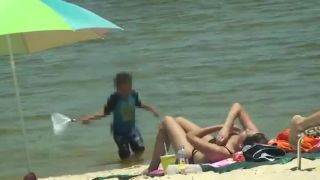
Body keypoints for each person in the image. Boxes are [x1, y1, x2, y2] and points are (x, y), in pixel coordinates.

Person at [147, 102, 268, 172]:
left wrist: (218, 127)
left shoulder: (223, 152)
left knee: (167, 121)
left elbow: (190, 137)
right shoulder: (254, 136)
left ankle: (152, 168)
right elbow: (238, 106)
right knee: (179, 120)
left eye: (246, 133)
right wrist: (226, 127)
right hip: (209, 142)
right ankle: (155, 164)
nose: (246, 130)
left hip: (190, 154)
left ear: (241, 145)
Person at [80, 72, 159, 160]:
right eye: (122, 90)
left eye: (127, 89)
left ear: (131, 86)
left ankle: (134, 161)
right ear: (117, 88)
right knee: (125, 153)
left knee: (140, 149)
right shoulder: (114, 99)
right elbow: (105, 112)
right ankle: (126, 163)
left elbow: (140, 104)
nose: (125, 92)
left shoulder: (133, 95)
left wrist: (152, 109)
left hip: (132, 130)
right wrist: (90, 118)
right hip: (119, 132)